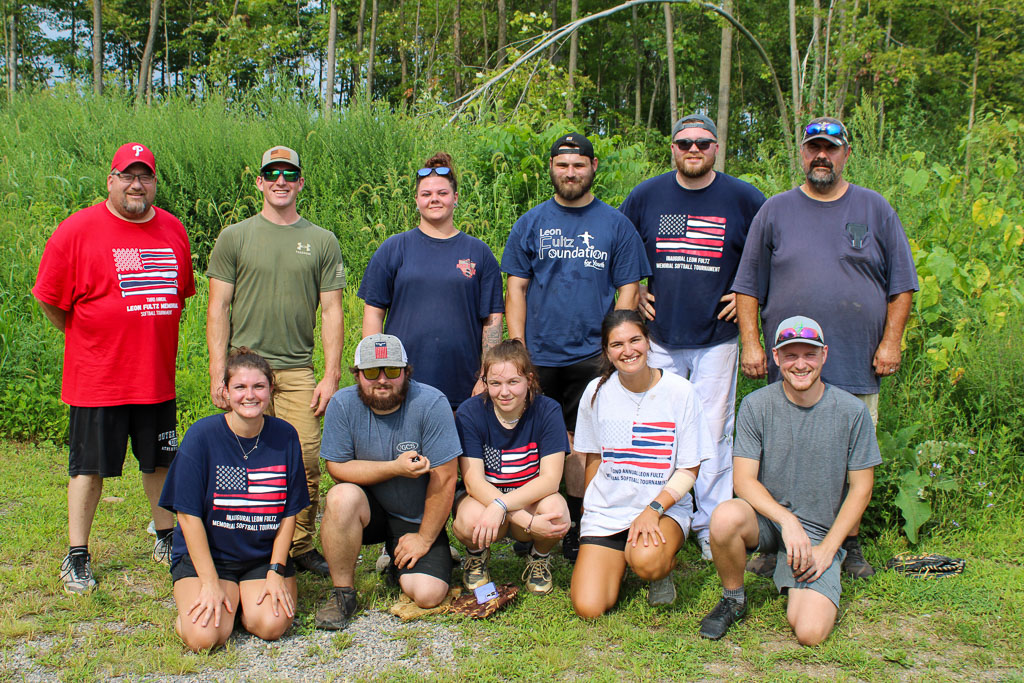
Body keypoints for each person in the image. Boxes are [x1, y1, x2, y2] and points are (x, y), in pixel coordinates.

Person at [731, 117, 918, 578]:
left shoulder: (875, 209)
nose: (822, 156)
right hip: (789, 361)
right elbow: (748, 286)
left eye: (831, 148)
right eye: (814, 147)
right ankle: (775, 541)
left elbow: (902, 285)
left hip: (855, 357)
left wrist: (891, 342)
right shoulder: (775, 210)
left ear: (845, 154)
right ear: (803, 152)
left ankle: (847, 544)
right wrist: (752, 345)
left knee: (849, 455)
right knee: (782, 453)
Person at [32, 142, 195, 593]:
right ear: (111, 179)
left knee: (160, 462)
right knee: (89, 468)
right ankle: (77, 555)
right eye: (128, 175)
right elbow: (49, 297)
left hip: (154, 375)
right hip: (98, 378)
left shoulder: (172, 229)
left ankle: (165, 537)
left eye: (144, 176)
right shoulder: (78, 230)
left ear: (154, 183)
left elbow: (179, 295)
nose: (136, 184)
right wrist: (88, 336)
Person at [619, 113, 766, 561]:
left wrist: (747, 295)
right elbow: (622, 251)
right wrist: (638, 288)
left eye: (703, 143)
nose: (693, 149)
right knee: (659, 429)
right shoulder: (647, 196)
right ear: (673, 148)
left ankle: (712, 525)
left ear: (716, 147)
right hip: (659, 335)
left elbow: (772, 252)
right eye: (684, 142)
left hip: (717, 336)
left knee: (715, 431)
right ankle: (667, 515)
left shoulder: (743, 198)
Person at [502, 133, 650, 562]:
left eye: (579, 164)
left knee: (585, 445)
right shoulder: (530, 222)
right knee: (534, 441)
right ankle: (529, 520)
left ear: (593, 167)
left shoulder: (615, 224)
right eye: (563, 164)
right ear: (551, 167)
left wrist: (613, 346)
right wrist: (518, 349)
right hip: (539, 355)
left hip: (592, 356)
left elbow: (629, 287)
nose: (571, 172)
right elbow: (516, 287)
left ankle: (580, 524)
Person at [206, 145, 345, 577]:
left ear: (300, 182)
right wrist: (219, 375)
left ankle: (300, 545)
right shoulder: (235, 236)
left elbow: (332, 310)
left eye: (289, 174)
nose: (280, 181)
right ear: (260, 182)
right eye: (272, 174)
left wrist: (330, 374)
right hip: (246, 369)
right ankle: (245, 540)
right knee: (241, 458)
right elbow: (217, 308)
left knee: (304, 458)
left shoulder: (321, 240)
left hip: (298, 369)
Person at [698, 316, 880, 645]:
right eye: (790, 355)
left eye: (809, 355)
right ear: (777, 358)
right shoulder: (756, 405)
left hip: (818, 532)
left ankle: (806, 569)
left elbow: (861, 488)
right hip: (770, 521)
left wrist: (828, 548)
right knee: (725, 516)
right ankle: (733, 598)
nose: (800, 365)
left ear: (824, 355)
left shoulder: (852, 412)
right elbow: (743, 480)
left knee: (811, 633)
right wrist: (786, 519)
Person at [159, 348, 310, 651]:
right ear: (226, 392)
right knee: (203, 638)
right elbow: (187, 515)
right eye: (240, 387)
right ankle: (217, 602)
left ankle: (241, 603)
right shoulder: (202, 436)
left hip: (261, 558)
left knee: (272, 625)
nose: (249, 395)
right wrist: (211, 582)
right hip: (211, 557)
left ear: (271, 390)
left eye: (258, 386)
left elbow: (289, 514)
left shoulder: (286, 436)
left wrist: (276, 571)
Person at [570, 311, 715, 616]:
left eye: (635, 339)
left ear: (648, 342)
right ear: (607, 352)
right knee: (588, 607)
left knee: (647, 561)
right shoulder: (596, 392)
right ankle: (620, 559)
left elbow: (689, 468)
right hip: (609, 510)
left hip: (661, 507)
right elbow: (595, 456)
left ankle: (659, 570)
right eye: (617, 344)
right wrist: (589, 503)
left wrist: (654, 509)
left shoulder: (679, 392)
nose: (628, 350)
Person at [315, 334, 461, 630]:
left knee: (429, 594)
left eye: (392, 370)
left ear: (407, 372)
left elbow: (445, 480)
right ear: (357, 375)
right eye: (371, 372)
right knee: (341, 497)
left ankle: (400, 562)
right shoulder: (342, 405)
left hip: (415, 516)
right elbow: (337, 467)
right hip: (370, 512)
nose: (382, 379)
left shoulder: (432, 403)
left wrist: (424, 538)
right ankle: (342, 593)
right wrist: (394, 468)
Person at [359, 151, 504, 410]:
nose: (434, 199)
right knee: (404, 453)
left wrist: (487, 375)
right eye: (426, 194)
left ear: (455, 198)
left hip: (464, 388)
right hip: (401, 384)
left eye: (442, 193)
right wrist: (376, 371)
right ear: (416, 200)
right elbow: (373, 314)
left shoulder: (479, 253)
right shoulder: (394, 249)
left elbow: (492, 322)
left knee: (461, 452)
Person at [452, 340, 571, 595]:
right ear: (484, 382)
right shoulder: (470, 412)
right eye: (495, 383)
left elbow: (550, 480)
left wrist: (506, 508)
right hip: (484, 500)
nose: (504, 392)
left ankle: (539, 558)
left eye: (513, 382)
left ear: (529, 379)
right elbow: (473, 481)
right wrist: (519, 516)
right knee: (466, 521)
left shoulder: (548, 410)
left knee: (557, 513)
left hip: (530, 498)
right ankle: (476, 556)